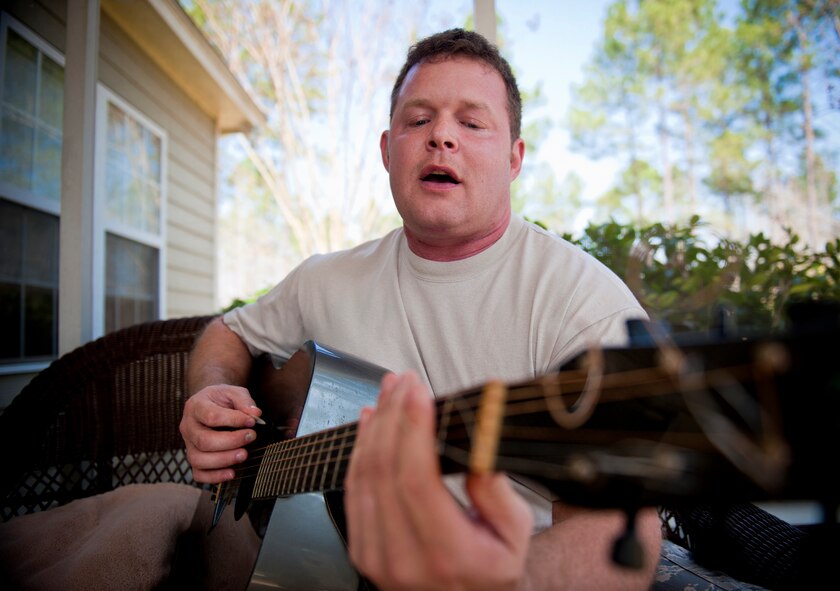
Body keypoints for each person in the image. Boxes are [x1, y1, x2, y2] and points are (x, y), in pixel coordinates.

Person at [180, 28, 662, 590]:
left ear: (514, 159)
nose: (441, 137)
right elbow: (227, 332)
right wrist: (208, 394)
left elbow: (623, 531)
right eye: (419, 119)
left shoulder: (583, 305)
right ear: (388, 151)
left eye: (472, 122)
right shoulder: (324, 279)